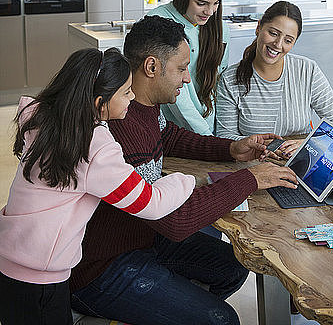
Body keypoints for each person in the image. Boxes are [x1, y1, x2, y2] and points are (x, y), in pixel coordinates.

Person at [70, 15, 298, 325]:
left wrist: (230, 149)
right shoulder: (121, 125)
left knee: (233, 266)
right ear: (152, 67)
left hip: (142, 238)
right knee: (222, 320)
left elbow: (168, 135)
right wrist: (250, 178)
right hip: (102, 268)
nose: (187, 78)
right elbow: (175, 221)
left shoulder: (142, 105)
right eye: (181, 69)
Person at [0, 47, 196, 325]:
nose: (132, 97)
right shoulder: (95, 148)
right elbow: (150, 204)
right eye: (127, 92)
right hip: (41, 277)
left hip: (10, 260)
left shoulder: (45, 117)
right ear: (100, 101)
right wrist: (186, 180)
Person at [215, 1, 333, 157]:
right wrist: (259, 147)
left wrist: (309, 143)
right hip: (253, 166)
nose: (278, 44)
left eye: (288, 40)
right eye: (273, 33)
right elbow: (225, 136)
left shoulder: (307, 70)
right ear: (259, 27)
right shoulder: (229, 80)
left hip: (299, 163)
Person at [148, 0, 229, 135]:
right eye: (201, 3)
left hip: (209, 127)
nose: (210, 12)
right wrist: (208, 139)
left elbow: (220, 82)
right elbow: (179, 101)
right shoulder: (158, 22)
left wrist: (221, 135)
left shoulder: (219, 28)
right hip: (169, 131)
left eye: (216, 3)